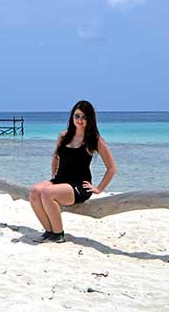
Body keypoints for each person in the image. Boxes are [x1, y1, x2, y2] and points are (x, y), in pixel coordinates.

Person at [29, 100, 117, 243]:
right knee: (34, 191)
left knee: (47, 193)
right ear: (72, 117)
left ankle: (59, 234)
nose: (80, 120)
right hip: (60, 181)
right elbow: (56, 156)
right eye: (77, 116)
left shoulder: (94, 140)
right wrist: (54, 176)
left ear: (90, 119)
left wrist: (99, 189)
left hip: (79, 186)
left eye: (84, 117)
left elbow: (112, 168)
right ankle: (49, 231)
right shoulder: (64, 136)